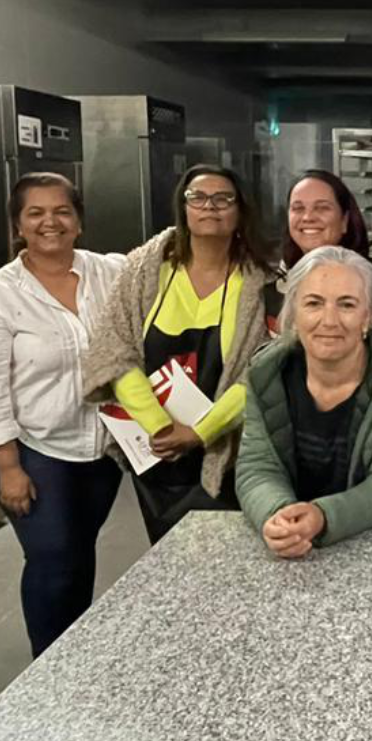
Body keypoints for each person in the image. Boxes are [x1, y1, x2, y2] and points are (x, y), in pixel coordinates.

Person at [0, 173, 127, 657]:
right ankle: (48, 666)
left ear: (79, 221)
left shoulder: (112, 272)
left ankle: (72, 655)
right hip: (34, 451)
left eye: (61, 211)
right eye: (35, 213)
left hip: (101, 449)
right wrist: (8, 468)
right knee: (53, 560)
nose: (49, 222)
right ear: (18, 225)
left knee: (78, 554)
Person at [82, 165, 272, 542]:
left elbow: (263, 369)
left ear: (240, 211)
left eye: (223, 199)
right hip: (157, 451)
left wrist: (201, 432)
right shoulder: (144, 271)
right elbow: (115, 350)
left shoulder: (263, 281)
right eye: (197, 197)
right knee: (167, 554)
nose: (210, 206)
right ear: (183, 208)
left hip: (229, 451)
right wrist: (161, 427)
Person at [236, 246, 372, 558]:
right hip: (292, 548)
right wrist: (279, 516)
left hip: (371, 545)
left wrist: (323, 517)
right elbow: (256, 467)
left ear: (369, 316)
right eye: (314, 303)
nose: (329, 320)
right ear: (293, 313)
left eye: (347, 304)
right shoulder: (266, 372)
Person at [263, 169, 371, 335]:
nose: (308, 217)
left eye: (322, 208)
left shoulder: (371, 286)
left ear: (344, 220)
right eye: (298, 208)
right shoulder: (272, 286)